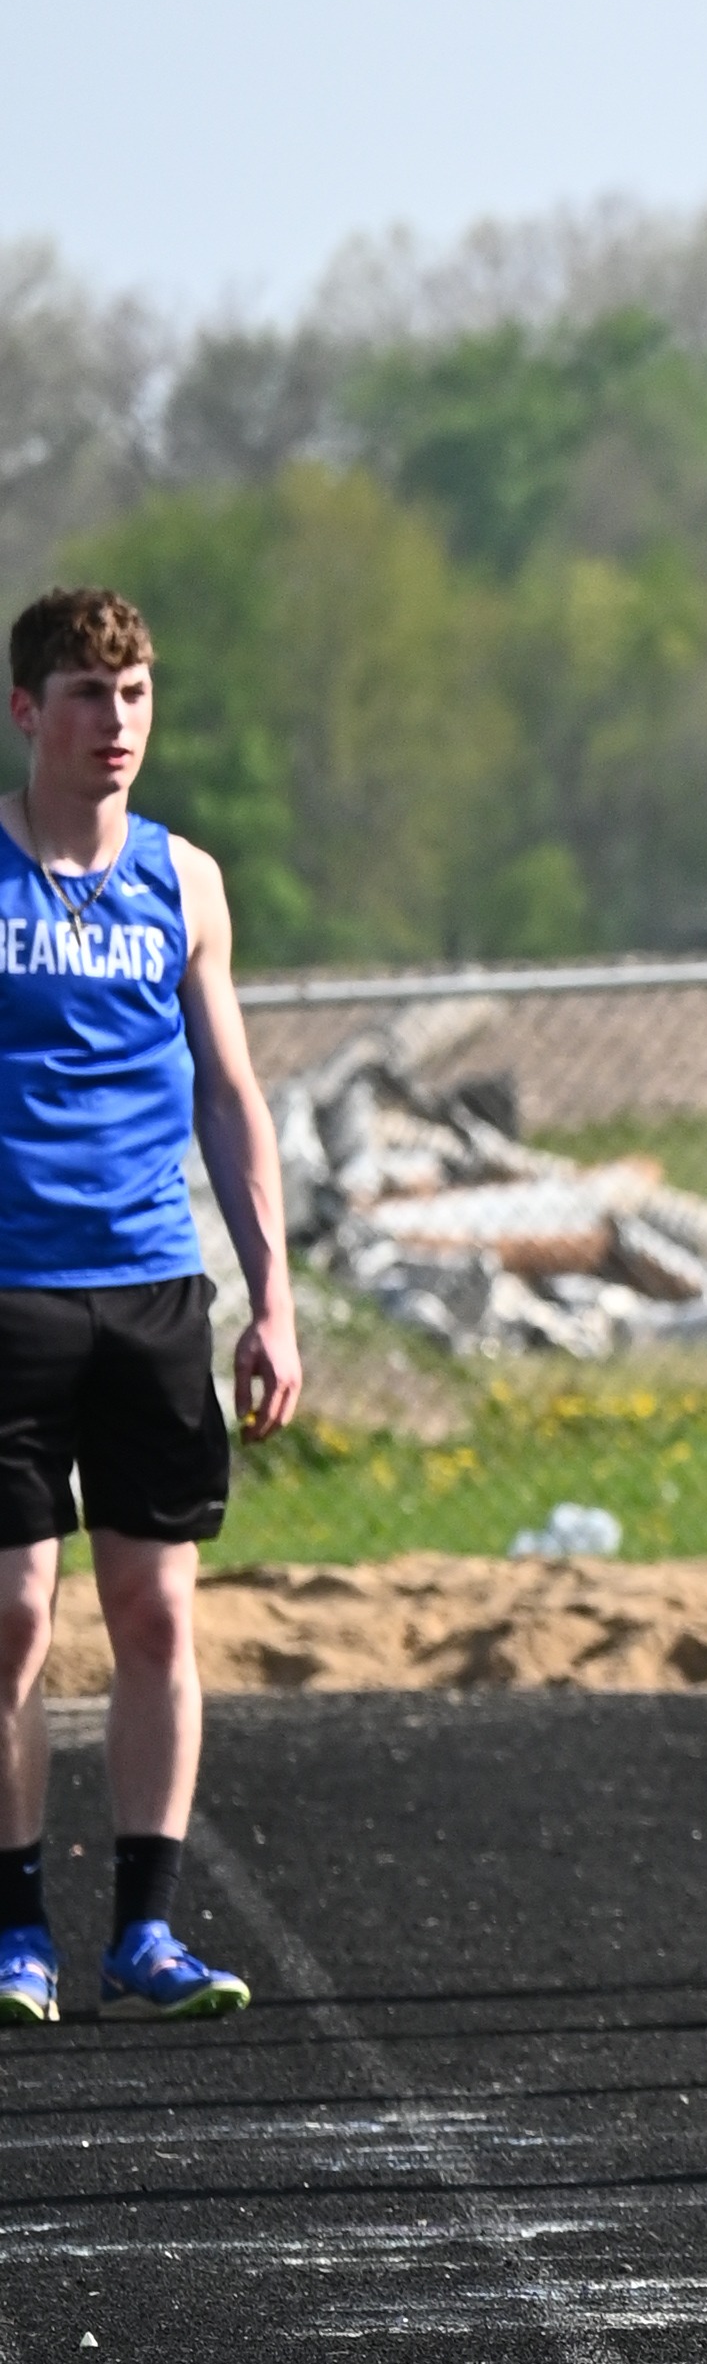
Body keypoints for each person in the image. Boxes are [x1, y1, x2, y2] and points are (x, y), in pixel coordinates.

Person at [0, 586, 302, 2023]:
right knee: (11, 1618)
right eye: (83, 695)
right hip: (9, 1296)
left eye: (133, 695)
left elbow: (231, 1094)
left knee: (158, 1619)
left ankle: (143, 1926)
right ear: (25, 712)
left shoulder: (184, 879)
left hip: (152, 1290)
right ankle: (14, 1930)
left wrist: (275, 1299)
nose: (114, 722)